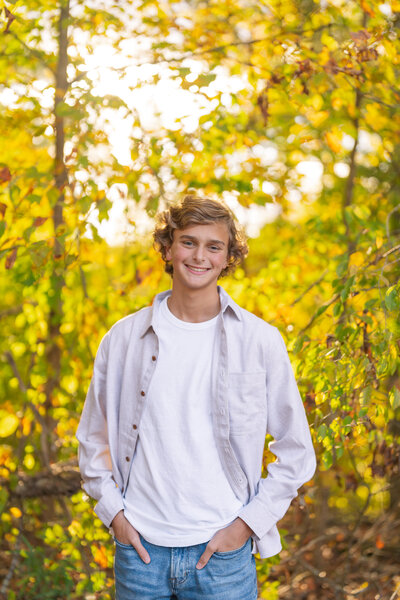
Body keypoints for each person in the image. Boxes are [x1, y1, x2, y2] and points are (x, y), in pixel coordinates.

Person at [76, 195, 316, 600]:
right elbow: (92, 440)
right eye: (188, 242)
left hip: (223, 557)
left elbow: (296, 450)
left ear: (228, 257)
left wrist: (245, 526)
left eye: (214, 246)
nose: (199, 256)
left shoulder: (258, 341)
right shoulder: (123, 340)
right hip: (140, 552)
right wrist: (114, 515)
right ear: (168, 248)